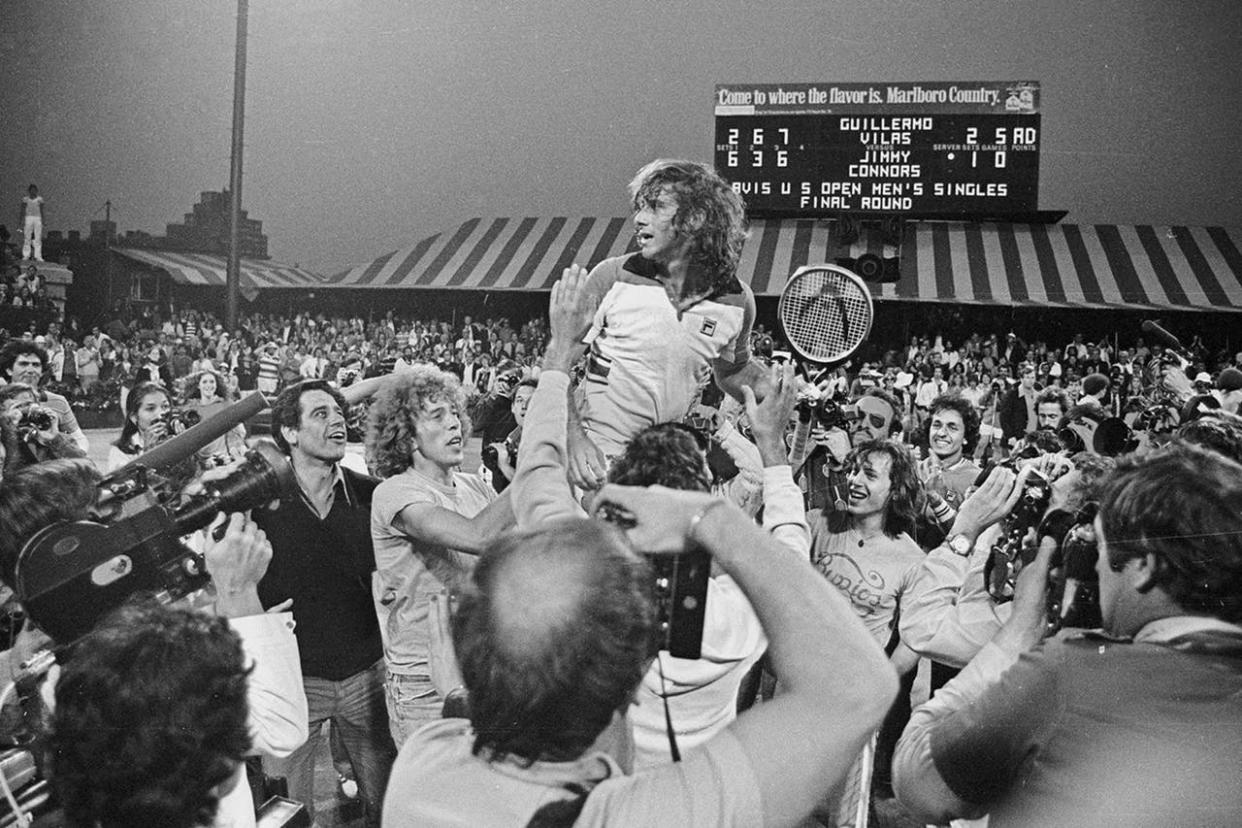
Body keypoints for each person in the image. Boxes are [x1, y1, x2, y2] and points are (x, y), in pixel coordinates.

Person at [383, 489, 896, 824]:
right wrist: (709, 517)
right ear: (634, 683)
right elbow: (859, 685)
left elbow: (470, 730)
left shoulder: (423, 759)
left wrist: (456, 695)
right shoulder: (637, 817)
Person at [508, 269, 810, 770]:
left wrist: (560, 352)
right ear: (699, 507)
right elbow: (790, 551)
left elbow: (538, 468)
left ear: (621, 508)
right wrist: (774, 450)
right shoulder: (735, 619)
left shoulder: (576, 591)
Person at [894, 444, 1242, 827]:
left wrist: (1017, 634)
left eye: (1099, 548)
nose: (1093, 566)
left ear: (1144, 566)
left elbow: (921, 781)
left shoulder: (1071, 673)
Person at [565, 159, 772, 488]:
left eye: (655, 206)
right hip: (594, 465)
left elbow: (733, 370)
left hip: (663, 474)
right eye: (640, 207)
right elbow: (557, 361)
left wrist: (772, 386)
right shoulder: (610, 277)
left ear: (696, 218)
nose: (639, 218)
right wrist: (574, 438)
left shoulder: (737, 300)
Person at [253, 379, 396, 827]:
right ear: (289, 433)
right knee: (286, 812)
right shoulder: (257, 504)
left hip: (365, 675)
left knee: (385, 804)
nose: (337, 420)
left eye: (339, 412)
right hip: (291, 682)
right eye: (321, 414)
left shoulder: (372, 495)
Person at [365, 365, 515, 746]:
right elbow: (477, 535)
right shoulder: (395, 492)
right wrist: (537, 469)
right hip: (423, 682)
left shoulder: (473, 486)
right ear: (408, 436)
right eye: (437, 415)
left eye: (454, 413)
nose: (455, 425)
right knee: (432, 796)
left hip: (479, 667)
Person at [0, 341, 90, 453]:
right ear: (9, 369)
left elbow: (80, 438)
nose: (30, 370)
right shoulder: (2, 400)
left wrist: (76, 455)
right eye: (23, 364)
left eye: (36, 365)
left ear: (42, 371)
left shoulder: (57, 401)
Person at [0, 382, 87, 469]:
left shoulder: (54, 437)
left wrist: (55, 439)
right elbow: (8, 473)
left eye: (29, 404)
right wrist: (10, 432)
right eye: (18, 407)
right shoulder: (3, 438)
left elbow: (84, 468)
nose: (25, 410)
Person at [183, 369, 248, 466]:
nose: (208, 385)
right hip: (200, 460)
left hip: (224, 457)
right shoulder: (190, 408)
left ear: (216, 385)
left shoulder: (226, 404)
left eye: (212, 382)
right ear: (198, 386)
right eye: (204, 382)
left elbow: (239, 432)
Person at [998, 362, 1040, 451]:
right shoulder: (1012, 395)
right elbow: (1003, 417)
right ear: (1021, 379)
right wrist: (1010, 436)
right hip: (1016, 438)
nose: (1030, 380)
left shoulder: (1039, 395)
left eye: (1033, 377)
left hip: (1034, 437)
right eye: (1027, 377)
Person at [18, 184, 44, 262]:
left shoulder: (40, 199)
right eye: (32, 190)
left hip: (37, 218)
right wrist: (20, 221)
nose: (33, 191)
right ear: (29, 191)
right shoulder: (25, 199)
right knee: (27, 237)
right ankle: (26, 255)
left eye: (35, 190)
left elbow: (42, 210)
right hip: (28, 218)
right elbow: (22, 210)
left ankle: (38, 256)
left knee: (38, 238)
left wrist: (43, 220)